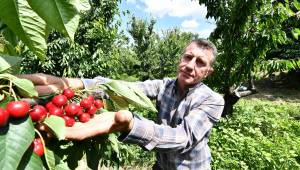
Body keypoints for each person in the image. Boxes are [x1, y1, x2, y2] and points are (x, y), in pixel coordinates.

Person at [19, 39, 224, 170]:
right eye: (188, 57)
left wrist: (132, 125)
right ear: (181, 59)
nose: (190, 65)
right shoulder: (165, 85)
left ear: (208, 72)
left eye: (200, 62)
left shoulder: (212, 100)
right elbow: (126, 87)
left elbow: (182, 138)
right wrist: (79, 84)